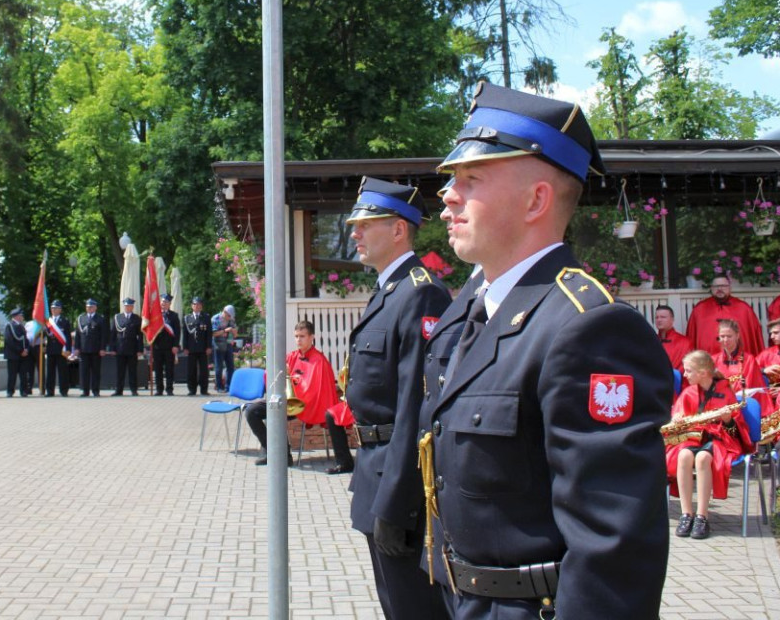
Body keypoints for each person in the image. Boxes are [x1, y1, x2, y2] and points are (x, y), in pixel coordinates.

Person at [419, 82, 673, 619]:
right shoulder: (467, 314)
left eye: (471, 180)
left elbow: (614, 551)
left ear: (536, 199)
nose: (447, 196)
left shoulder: (589, 330)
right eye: (452, 182)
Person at [342, 176, 452, 620]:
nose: (354, 233)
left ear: (398, 230)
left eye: (364, 224)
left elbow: (416, 405)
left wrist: (397, 501)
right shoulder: (390, 291)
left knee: (414, 608)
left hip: (399, 479)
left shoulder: (420, 291)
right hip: (376, 468)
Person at [244, 319, 354, 470]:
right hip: (288, 402)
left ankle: (280, 454)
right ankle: (275, 451)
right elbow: (274, 376)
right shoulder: (292, 356)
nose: (298, 340)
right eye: (296, 336)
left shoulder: (319, 361)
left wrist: (294, 381)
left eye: (302, 336)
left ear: (311, 337)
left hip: (305, 405)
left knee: (277, 411)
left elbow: (313, 390)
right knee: (251, 412)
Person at [666, 349, 752, 540]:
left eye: (688, 371)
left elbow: (735, 432)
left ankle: (702, 516)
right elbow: (676, 423)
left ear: (703, 373)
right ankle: (686, 513)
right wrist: (677, 419)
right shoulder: (688, 392)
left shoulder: (725, 391)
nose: (684, 374)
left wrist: (728, 420)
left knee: (704, 458)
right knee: (684, 456)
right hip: (692, 437)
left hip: (719, 440)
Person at [685, 276, 765, 357]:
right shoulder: (699, 309)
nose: (720, 288)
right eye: (716, 286)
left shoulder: (744, 308)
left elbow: (754, 337)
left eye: (723, 286)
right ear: (711, 288)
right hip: (707, 361)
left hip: (738, 360)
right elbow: (691, 337)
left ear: (729, 288)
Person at [712, 318, 773, 416]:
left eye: (729, 336)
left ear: (737, 336)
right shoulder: (713, 360)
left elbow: (749, 386)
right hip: (718, 406)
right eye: (722, 336)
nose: (725, 340)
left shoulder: (749, 359)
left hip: (743, 405)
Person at [74, 299, 105, 397]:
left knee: (96, 371)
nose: (89, 308)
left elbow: (103, 336)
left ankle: (95, 391)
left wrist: (102, 348)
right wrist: (77, 348)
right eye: (88, 307)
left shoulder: (100, 318)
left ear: (95, 307)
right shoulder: (81, 318)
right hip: (84, 349)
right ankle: (85, 391)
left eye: (91, 307)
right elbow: (78, 335)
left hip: (96, 349)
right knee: (84, 372)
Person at [150, 293, 180, 396]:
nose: (164, 303)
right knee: (158, 369)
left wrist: (176, 345)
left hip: (169, 347)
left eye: (166, 302)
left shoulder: (174, 316)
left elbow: (177, 332)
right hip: (157, 347)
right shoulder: (155, 315)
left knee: (169, 369)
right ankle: (159, 389)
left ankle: (169, 389)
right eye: (162, 301)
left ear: (169, 304)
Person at [113, 298, 143, 396]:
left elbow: (140, 336)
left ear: (132, 307)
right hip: (120, 348)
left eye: (129, 306)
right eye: (126, 306)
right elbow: (113, 334)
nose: (127, 307)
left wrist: (140, 349)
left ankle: (133, 390)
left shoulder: (137, 318)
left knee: (132, 371)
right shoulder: (117, 317)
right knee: (120, 371)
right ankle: (119, 390)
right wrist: (113, 348)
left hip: (132, 348)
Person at [182, 296, 212, 396]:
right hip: (191, 348)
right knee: (191, 370)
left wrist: (209, 346)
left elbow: (209, 333)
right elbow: (185, 334)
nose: (197, 306)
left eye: (199, 304)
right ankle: (192, 390)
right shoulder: (187, 318)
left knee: (204, 371)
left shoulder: (206, 317)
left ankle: (204, 390)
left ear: (201, 306)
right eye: (195, 304)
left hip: (203, 348)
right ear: (192, 306)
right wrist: (185, 347)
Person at [44, 300, 73, 397]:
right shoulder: (47, 321)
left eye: (56, 308)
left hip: (61, 350)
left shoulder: (64, 321)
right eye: (52, 308)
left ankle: (64, 390)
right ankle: (49, 391)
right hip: (51, 349)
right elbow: (45, 336)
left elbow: (68, 337)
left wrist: (68, 349)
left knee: (62, 371)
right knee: (50, 371)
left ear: (60, 309)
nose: (53, 310)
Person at [655, 304, 693, 371]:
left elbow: (688, 369)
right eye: (657, 317)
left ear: (672, 319)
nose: (659, 320)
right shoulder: (651, 341)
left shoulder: (685, 343)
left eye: (663, 317)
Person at [4, 308, 31, 397]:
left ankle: (23, 391)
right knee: (12, 374)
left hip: (23, 355)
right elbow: (9, 341)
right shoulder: (9, 326)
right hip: (13, 354)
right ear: (16, 316)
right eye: (21, 315)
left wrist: (27, 349)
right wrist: (20, 351)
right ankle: (10, 391)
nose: (22, 317)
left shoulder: (21, 326)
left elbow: (25, 339)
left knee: (23, 374)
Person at [211, 304, 237, 392]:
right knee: (219, 367)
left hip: (228, 344)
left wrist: (234, 331)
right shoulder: (215, 319)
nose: (229, 318)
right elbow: (213, 333)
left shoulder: (231, 319)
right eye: (228, 316)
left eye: (231, 316)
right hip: (218, 345)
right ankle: (219, 387)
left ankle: (229, 386)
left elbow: (235, 334)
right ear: (224, 312)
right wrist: (225, 330)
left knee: (230, 366)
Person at [757, 317, 780, 384]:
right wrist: (764, 370)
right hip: (771, 392)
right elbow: (749, 368)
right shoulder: (767, 353)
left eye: (776, 333)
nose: (772, 336)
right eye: (771, 333)